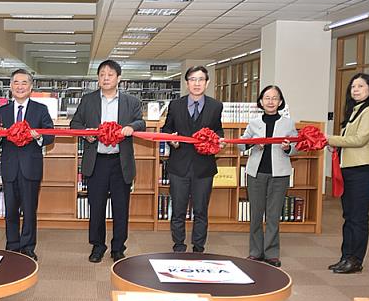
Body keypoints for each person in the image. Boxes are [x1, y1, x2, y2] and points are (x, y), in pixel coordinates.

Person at [70, 60, 146, 263]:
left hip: (120, 161)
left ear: (119, 79)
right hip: (97, 161)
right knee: (96, 206)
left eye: (110, 74)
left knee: (121, 207)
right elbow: (75, 123)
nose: (105, 78)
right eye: (102, 74)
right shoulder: (88, 100)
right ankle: (97, 246)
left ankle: (118, 247)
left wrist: (132, 127)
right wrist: (85, 133)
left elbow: (141, 122)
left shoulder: (131, 101)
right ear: (98, 78)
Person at [0, 69, 55, 261]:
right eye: (16, 83)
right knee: (10, 209)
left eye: (24, 83)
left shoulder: (40, 109)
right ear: (10, 87)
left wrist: (39, 136)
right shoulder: (2, 111)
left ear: (31, 86)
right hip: (10, 167)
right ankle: (12, 245)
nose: (20, 86)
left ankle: (28, 246)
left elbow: (50, 135)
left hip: (31, 167)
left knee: (29, 210)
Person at [161, 65, 224, 254]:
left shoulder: (215, 106)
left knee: (201, 211)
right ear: (187, 83)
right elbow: (166, 129)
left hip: (204, 167)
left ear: (207, 83)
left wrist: (220, 141)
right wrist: (171, 140)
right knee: (178, 210)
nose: (197, 83)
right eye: (193, 80)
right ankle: (179, 246)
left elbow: (217, 130)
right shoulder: (175, 105)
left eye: (201, 80)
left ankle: (198, 248)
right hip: (179, 165)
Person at [327, 73, 369, 274]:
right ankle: (345, 256)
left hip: (364, 169)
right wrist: (336, 146)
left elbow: (360, 139)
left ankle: (356, 260)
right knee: (348, 215)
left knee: (358, 217)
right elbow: (349, 139)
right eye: (353, 87)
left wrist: (330, 139)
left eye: (360, 86)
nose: (355, 90)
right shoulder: (354, 111)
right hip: (349, 168)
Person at [237, 85, 296, 267]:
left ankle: (271, 253)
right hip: (256, 173)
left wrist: (289, 147)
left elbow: (296, 147)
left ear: (280, 102)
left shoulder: (288, 123)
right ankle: (255, 252)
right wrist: (254, 145)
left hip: (279, 174)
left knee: (273, 215)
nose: (270, 101)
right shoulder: (254, 122)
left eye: (274, 98)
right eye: (267, 98)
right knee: (255, 214)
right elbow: (241, 144)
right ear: (261, 101)